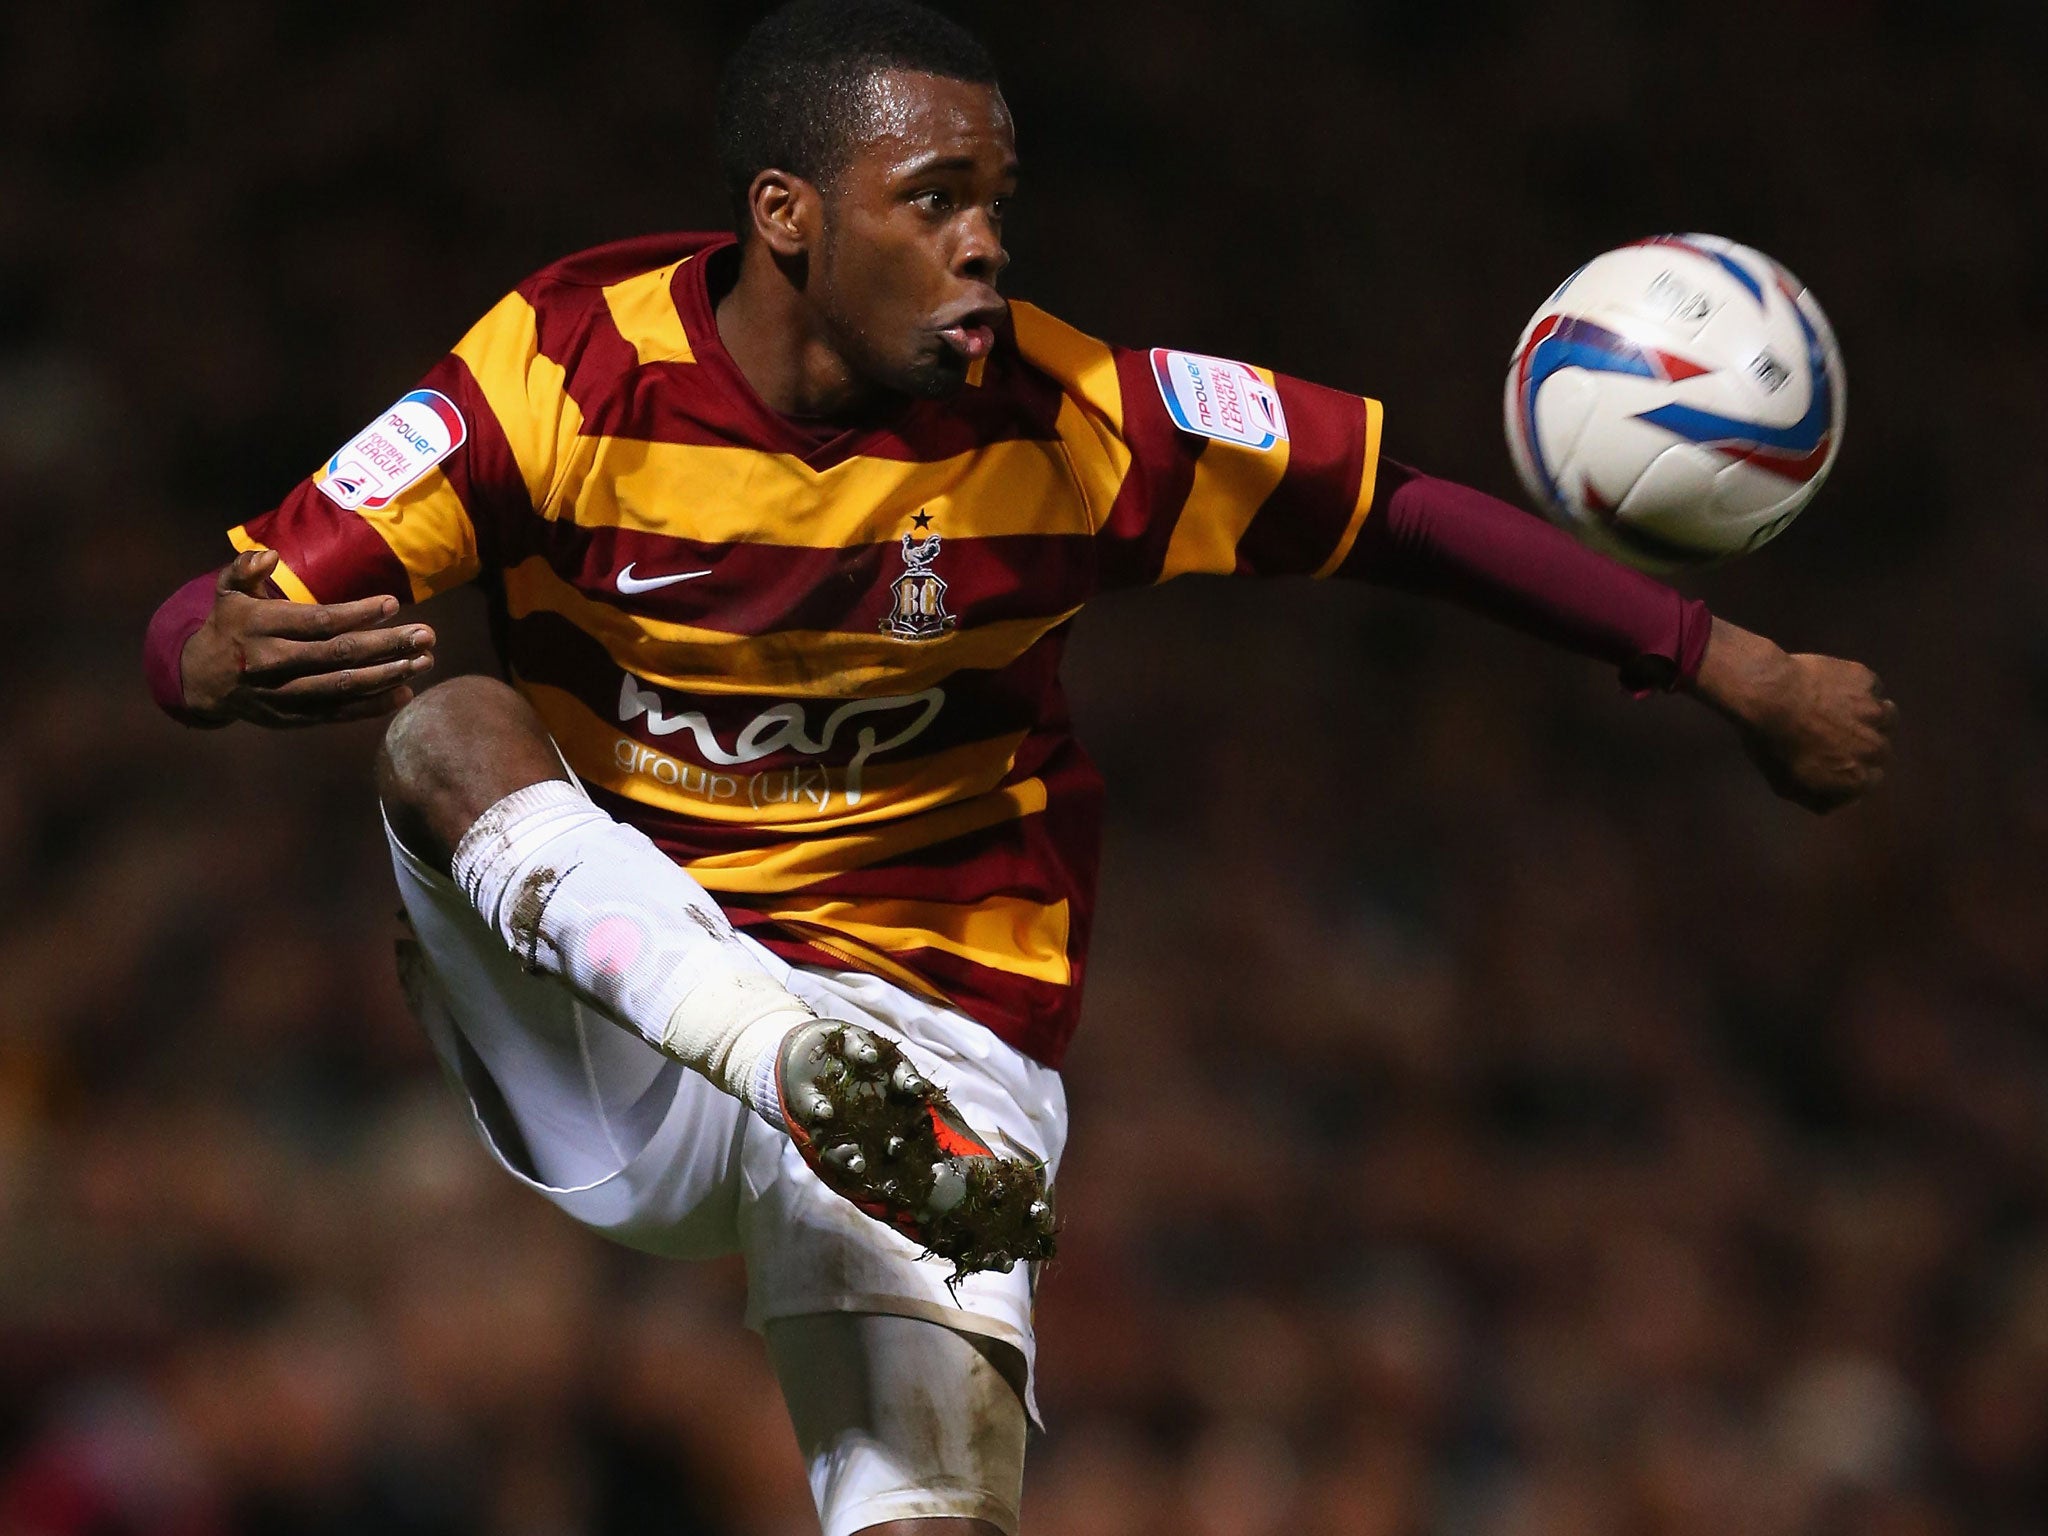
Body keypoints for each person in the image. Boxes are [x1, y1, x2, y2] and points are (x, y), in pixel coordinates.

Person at [141, 2, 1897, 1530]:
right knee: (438, 727)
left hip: (922, 1025)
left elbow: (1401, 515)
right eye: (937, 201)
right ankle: (768, 1043)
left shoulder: (1080, 420)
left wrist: (1730, 664)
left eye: (1000, 201)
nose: (989, 243)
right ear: (788, 216)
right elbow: (225, 614)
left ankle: (819, 1078)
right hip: (615, 1018)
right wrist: (199, 656)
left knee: (929, 1512)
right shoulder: (563, 371)